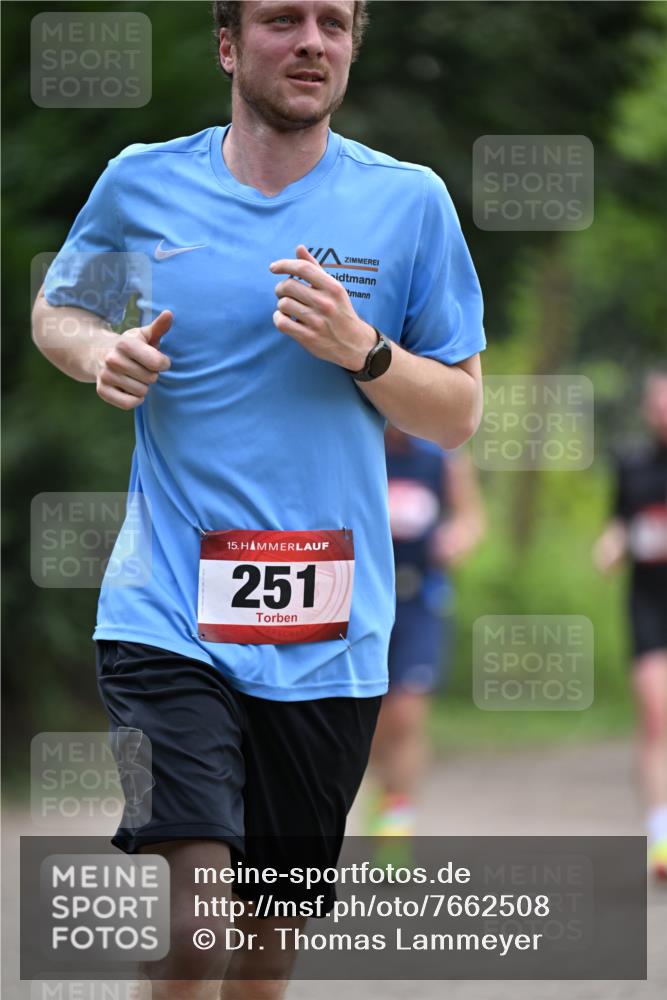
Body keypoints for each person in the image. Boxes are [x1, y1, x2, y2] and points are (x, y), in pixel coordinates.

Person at [31, 2, 486, 996]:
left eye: (334, 22)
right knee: (196, 929)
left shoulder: (408, 203)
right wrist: (99, 351)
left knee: (263, 951)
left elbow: (457, 413)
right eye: (283, 19)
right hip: (164, 615)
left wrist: (363, 351)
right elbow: (57, 308)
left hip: (330, 639)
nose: (313, 41)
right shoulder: (143, 182)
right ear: (228, 45)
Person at [368, 427, 485, 851]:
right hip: (365, 602)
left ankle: (396, 827)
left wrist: (458, 539)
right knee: (371, 722)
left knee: (407, 714)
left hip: (420, 602)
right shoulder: (360, 445)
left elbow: (471, 518)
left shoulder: (441, 457)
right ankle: (380, 796)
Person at [593, 371, 667, 880]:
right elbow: (621, 521)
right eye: (658, 404)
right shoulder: (633, 464)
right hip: (649, 605)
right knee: (655, 717)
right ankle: (661, 836)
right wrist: (611, 544)